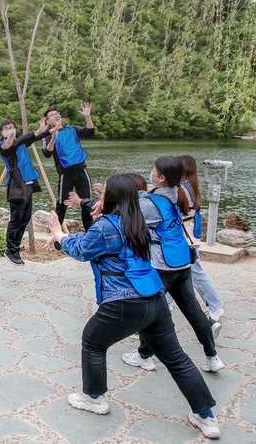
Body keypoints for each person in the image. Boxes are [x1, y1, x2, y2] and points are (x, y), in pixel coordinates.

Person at [47, 174, 220, 439]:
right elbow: (98, 239)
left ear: (113, 197)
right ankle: (206, 416)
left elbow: (82, 249)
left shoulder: (107, 226)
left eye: (104, 192)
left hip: (124, 301)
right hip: (155, 298)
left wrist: (59, 234)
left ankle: (94, 397)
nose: (100, 195)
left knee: (93, 342)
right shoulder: (139, 220)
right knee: (176, 358)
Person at [123, 157, 225, 374]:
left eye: (154, 170)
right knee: (194, 311)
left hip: (162, 265)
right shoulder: (177, 194)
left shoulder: (150, 204)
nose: (150, 172)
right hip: (181, 263)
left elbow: (128, 217)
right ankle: (212, 356)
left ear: (160, 177)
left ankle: (144, 356)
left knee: (152, 312)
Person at [0, 118, 50, 264]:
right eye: (6, 127)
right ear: (1, 132)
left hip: (28, 183)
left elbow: (35, 137)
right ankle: (10, 250)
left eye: (11, 127)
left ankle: (15, 247)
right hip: (16, 185)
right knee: (16, 219)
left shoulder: (21, 142)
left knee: (25, 218)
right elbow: (17, 142)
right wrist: (36, 131)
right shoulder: (2, 145)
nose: (9, 129)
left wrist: (48, 129)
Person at [177, 154, 224, 322]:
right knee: (180, 276)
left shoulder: (182, 189)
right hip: (188, 238)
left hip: (185, 239)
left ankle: (215, 306)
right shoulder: (191, 186)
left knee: (197, 274)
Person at [42, 103, 96, 230]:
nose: (55, 116)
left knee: (86, 202)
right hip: (65, 174)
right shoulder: (47, 135)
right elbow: (47, 153)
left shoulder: (72, 129)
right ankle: (56, 235)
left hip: (81, 170)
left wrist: (87, 117)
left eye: (57, 114)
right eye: (52, 115)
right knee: (61, 205)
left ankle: (90, 234)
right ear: (47, 120)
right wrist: (54, 135)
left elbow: (90, 132)